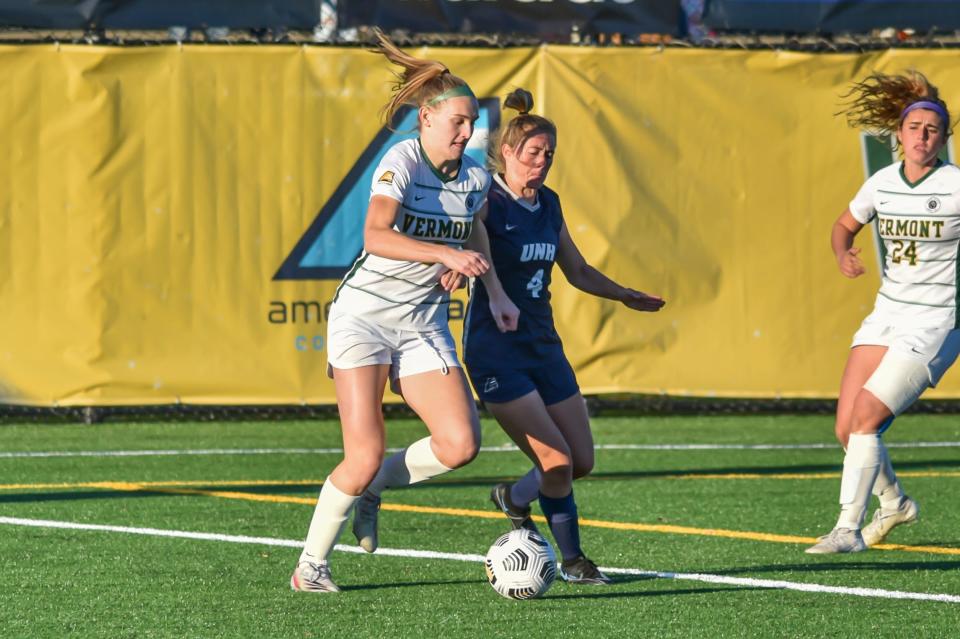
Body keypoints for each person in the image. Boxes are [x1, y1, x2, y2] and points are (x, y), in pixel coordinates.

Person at [291, 30, 519, 592]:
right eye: (457, 123)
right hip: (364, 318)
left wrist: (493, 291)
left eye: (471, 123)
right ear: (426, 119)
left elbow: (475, 232)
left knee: (461, 446)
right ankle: (310, 567)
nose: (467, 133)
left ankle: (374, 489)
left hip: (422, 322)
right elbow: (374, 235)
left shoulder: (472, 177)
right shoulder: (404, 159)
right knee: (363, 452)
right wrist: (444, 252)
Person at [462, 89, 666, 582]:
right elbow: (468, 232)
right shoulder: (485, 198)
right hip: (496, 350)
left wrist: (621, 294)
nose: (542, 162)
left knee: (581, 462)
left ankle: (511, 498)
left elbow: (576, 269)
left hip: (542, 345)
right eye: (534, 152)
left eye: (549, 154)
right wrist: (482, 281)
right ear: (508, 152)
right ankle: (574, 560)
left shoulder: (548, 203)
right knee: (556, 460)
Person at [807, 70, 960, 554]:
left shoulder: (956, 185)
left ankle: (847, 527)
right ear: (899, 134)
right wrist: (841, 252)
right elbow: (843, 225)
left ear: (944, 138)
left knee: (867, 418)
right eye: (914, 127)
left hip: (937, 321)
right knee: (845, 427)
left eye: (932, 129)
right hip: (887, 314)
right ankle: (894, 504)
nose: (922, 136)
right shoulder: (882, 182)